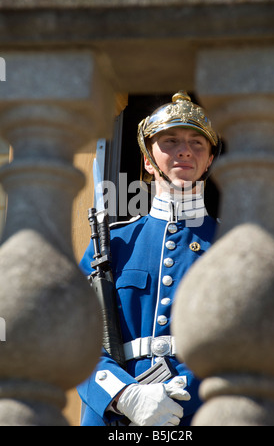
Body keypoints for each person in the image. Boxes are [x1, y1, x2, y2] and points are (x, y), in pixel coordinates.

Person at [77, 91, 221, 426]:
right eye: (170, 141)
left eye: (197, 142)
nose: (184, 150)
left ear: (210, 159)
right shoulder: (111, 244)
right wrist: (124, 396)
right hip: (118, 420)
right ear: (147, 160)